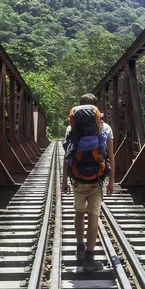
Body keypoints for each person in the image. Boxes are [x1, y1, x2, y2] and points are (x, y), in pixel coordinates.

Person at [62, 93, 115, 272]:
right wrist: (111, 181)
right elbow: (110, 156)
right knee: (94, 215)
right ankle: (89, 257)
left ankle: (79, 249)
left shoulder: (71, 128)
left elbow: (67, 156)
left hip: (77, 179)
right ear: (97, 108)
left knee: (79, 212)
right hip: (97, 179)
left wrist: (64, 180)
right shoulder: (105, 127)